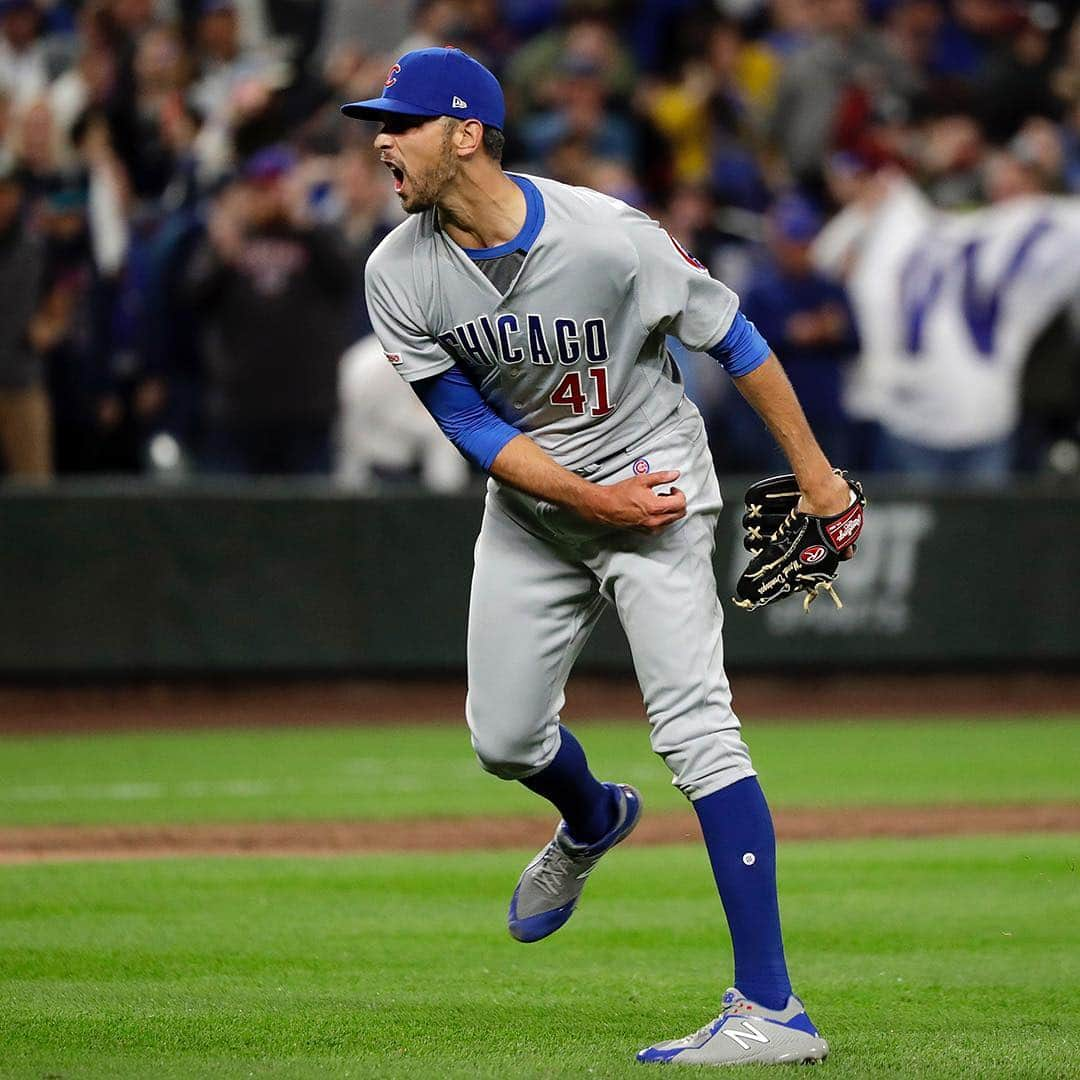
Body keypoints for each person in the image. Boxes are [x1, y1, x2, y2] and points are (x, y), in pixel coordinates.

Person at [343, 47, 855, 1067]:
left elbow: (735, 337)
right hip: (540, 510)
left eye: (400, 123)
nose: (381, 142)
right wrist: (584, 499)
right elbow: (471, 427)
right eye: (379, 123)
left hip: (655, 483)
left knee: (698, 729)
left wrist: (820, 478)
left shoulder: (609, 235)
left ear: (468, 132)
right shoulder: (396, 271)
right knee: (502, 739)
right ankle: (591, 818)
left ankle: (772, 1009)